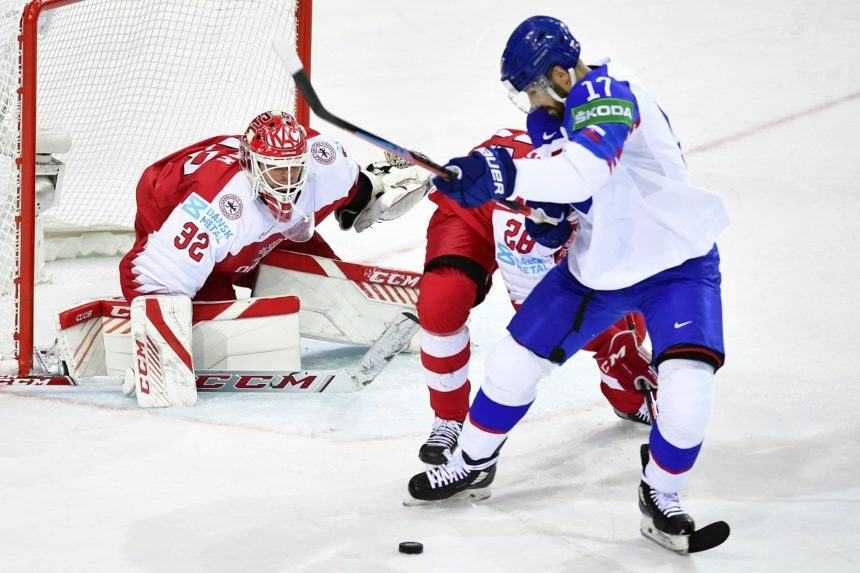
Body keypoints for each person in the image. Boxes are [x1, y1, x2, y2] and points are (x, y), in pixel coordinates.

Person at [408, 16, 729, 552]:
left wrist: (502, 174)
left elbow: (586, 172)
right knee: (511, 364)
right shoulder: (549, 119)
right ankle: (470, 462)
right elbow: (565, 195)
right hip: (596, 271)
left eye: (534, 89)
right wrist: (546, 217)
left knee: (688, 394)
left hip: (678, 263)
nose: (532, 104)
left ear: (560, 73)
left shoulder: (608, 91)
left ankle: (663, 495)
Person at [416, 127, 656, 466]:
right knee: (441, 302)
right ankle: (448, 419)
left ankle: (629, 398)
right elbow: (530, 303)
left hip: (547, 225)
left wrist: (621, 339)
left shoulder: (616, 212)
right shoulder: (560, 178)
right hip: (476, 210)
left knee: (613, 332)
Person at [119, 110, 402, 301]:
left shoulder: (326, 164)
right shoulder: (219, 205)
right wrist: (160, 326)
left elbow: (354, 185)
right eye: (277, 170)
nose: (288, 180)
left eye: (295, 168)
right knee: (213, 312)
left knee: (329, 287)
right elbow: (150, 279)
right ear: (251, 165)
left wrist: (373, 192)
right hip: (169, 204)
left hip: (254, 222)